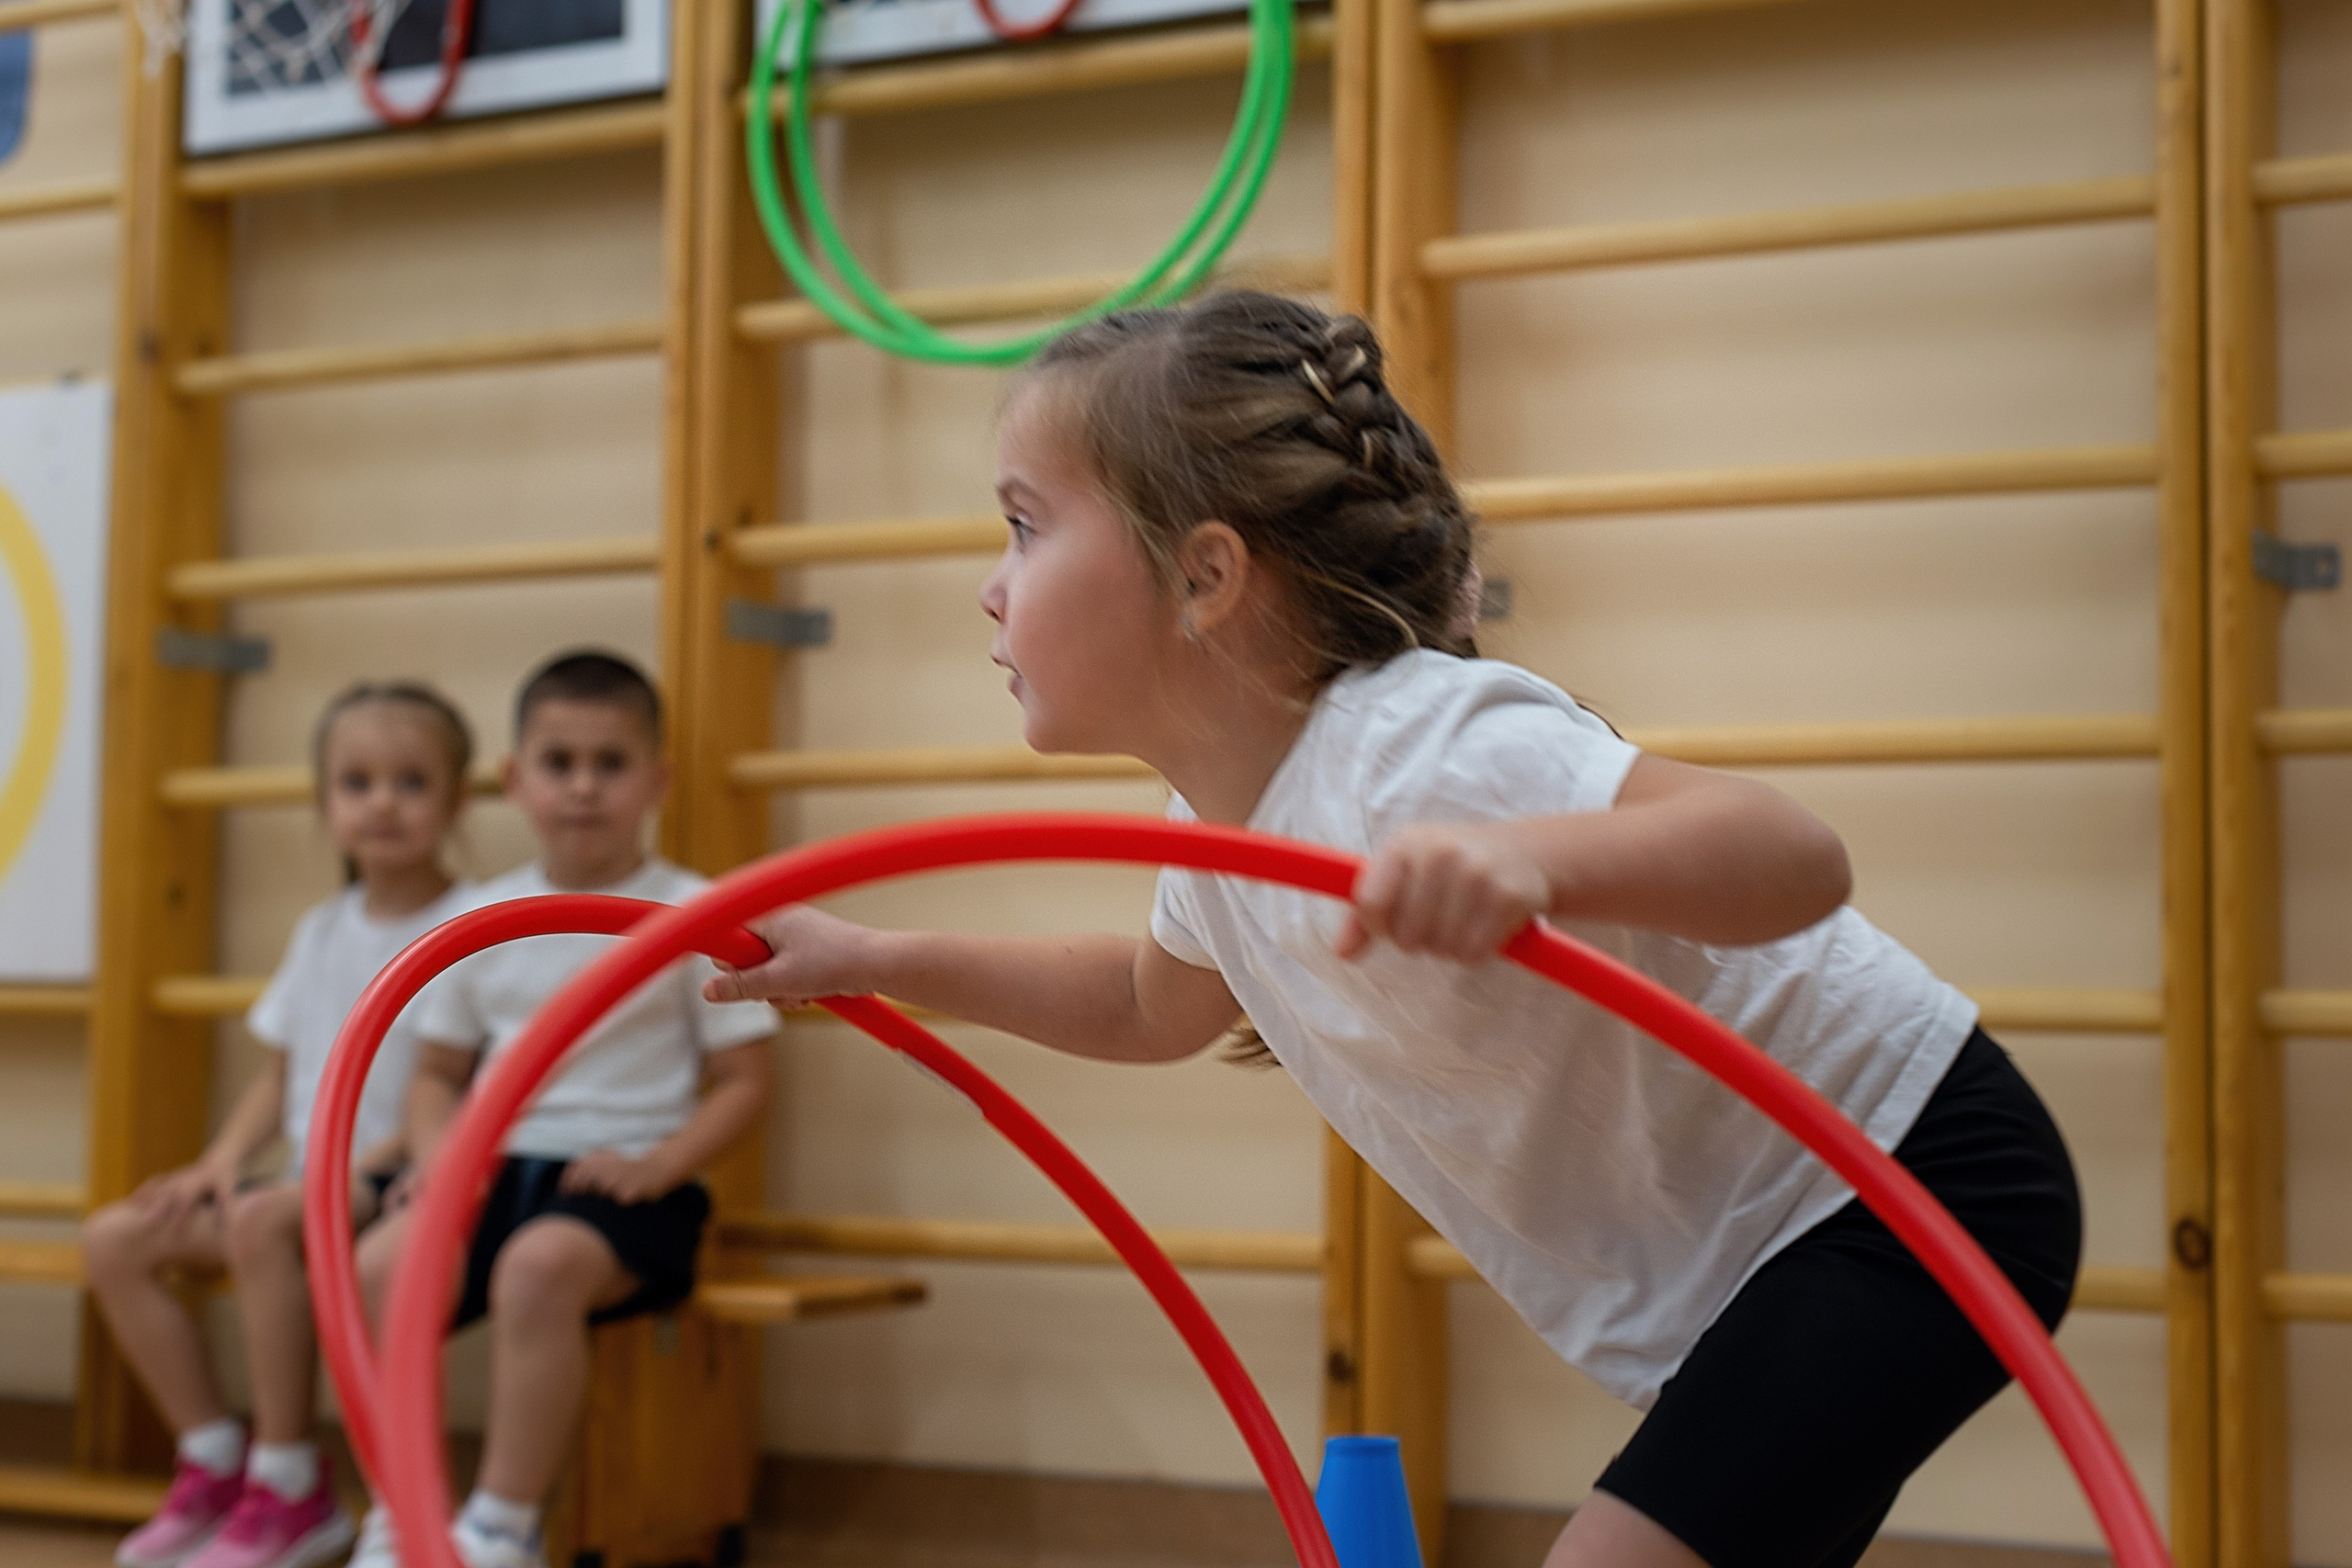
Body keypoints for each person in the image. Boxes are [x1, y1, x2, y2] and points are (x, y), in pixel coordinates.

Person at [701, 292, 2085, 1568]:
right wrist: (875, 959)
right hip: (1754, 1253)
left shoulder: (1413, 747)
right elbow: (1141, 1006)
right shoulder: (1218, 829)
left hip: (1901, 1175)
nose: (991, 586)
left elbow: (1793, 858)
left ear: (1203, 575)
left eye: (1023, 525)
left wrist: (1529, 860)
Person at [348, 650, 776, 1568]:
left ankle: (503, 1526)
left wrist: (660, 1164)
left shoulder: (694, 911)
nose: (583, 786)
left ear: (657, 781)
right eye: (559, 763)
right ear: (515, 779)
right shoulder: (479, 915)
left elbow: (746, 1081)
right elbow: (434, 1075)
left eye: (610, 764)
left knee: (537, 1268)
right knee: (383, 1263)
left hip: (623, 1183)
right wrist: (438, 1162)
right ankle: (402, 1509)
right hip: (491, 1170)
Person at [86, 682, 478, 1568]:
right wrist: (219, 1162)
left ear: (458, 800)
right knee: (115, 1239)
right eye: (357, 782)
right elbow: (278, 1070)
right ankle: (215, 1461)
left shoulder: (472, 922)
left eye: (411, 782)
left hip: (387, 1178)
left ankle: (292, 1482)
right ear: (324, 802)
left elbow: (461, 1080)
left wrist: (375, 1160)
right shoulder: (321, 927)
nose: (383, 803)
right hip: (305, 1178)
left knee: (264, 1220)